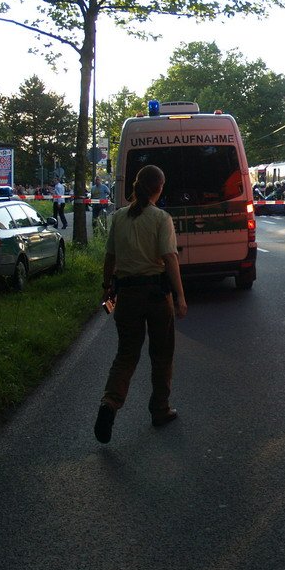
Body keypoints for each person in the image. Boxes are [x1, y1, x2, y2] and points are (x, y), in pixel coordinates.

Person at [94, 164, 188, 444]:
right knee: (161, 355)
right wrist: (181, 297)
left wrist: (106, 288)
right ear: (159, 187)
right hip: (157, 296)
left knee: (126, 355)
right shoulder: (161, 218)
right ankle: (160, 410)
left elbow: (110, 257)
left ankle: (109, 404)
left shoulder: (120, 217)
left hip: (128, 296)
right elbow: (170, 258)